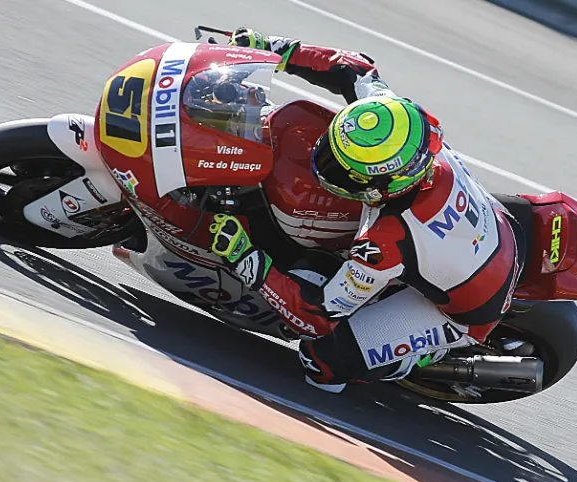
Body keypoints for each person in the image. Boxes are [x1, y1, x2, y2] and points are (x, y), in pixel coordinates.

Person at [208, 28, 524, 393]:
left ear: (388, 184)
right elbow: (353, 69)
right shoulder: (400, 125)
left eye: (345, 172)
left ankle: (417, 359)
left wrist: (248, 260)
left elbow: (317, 316)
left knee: (320, 361)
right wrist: (275, 50)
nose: (324, 166)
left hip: (469, 307)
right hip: (490, 234)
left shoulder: (384, 243)